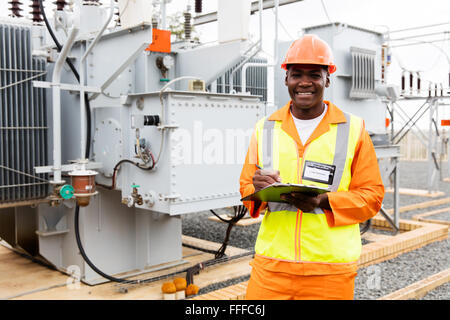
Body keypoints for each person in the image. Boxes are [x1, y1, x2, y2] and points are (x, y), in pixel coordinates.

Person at [239, 34, 385, 300]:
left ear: (327, 79)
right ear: (286, 79)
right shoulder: (265, 128)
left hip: (329, 270)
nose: (304, 82)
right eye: (297, 74)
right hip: (272, 267)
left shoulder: (353, 129)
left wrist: (322, 201)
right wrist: (256, 188)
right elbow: (246, 187)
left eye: (314, 75)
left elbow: (372, 196)